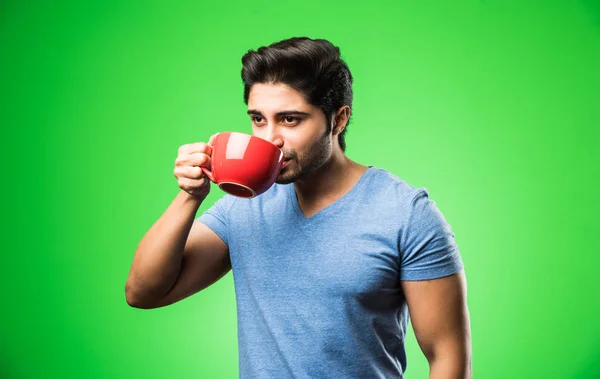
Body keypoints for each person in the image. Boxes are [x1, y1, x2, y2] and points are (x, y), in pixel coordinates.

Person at [125, 37, 472, 379]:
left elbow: (448, 357)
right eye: (258, 119)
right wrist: (191, 194)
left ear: (338, 120)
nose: (269, 138)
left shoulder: (406, 214)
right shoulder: (243, 207)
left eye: (290, 120)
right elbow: (143, 292)